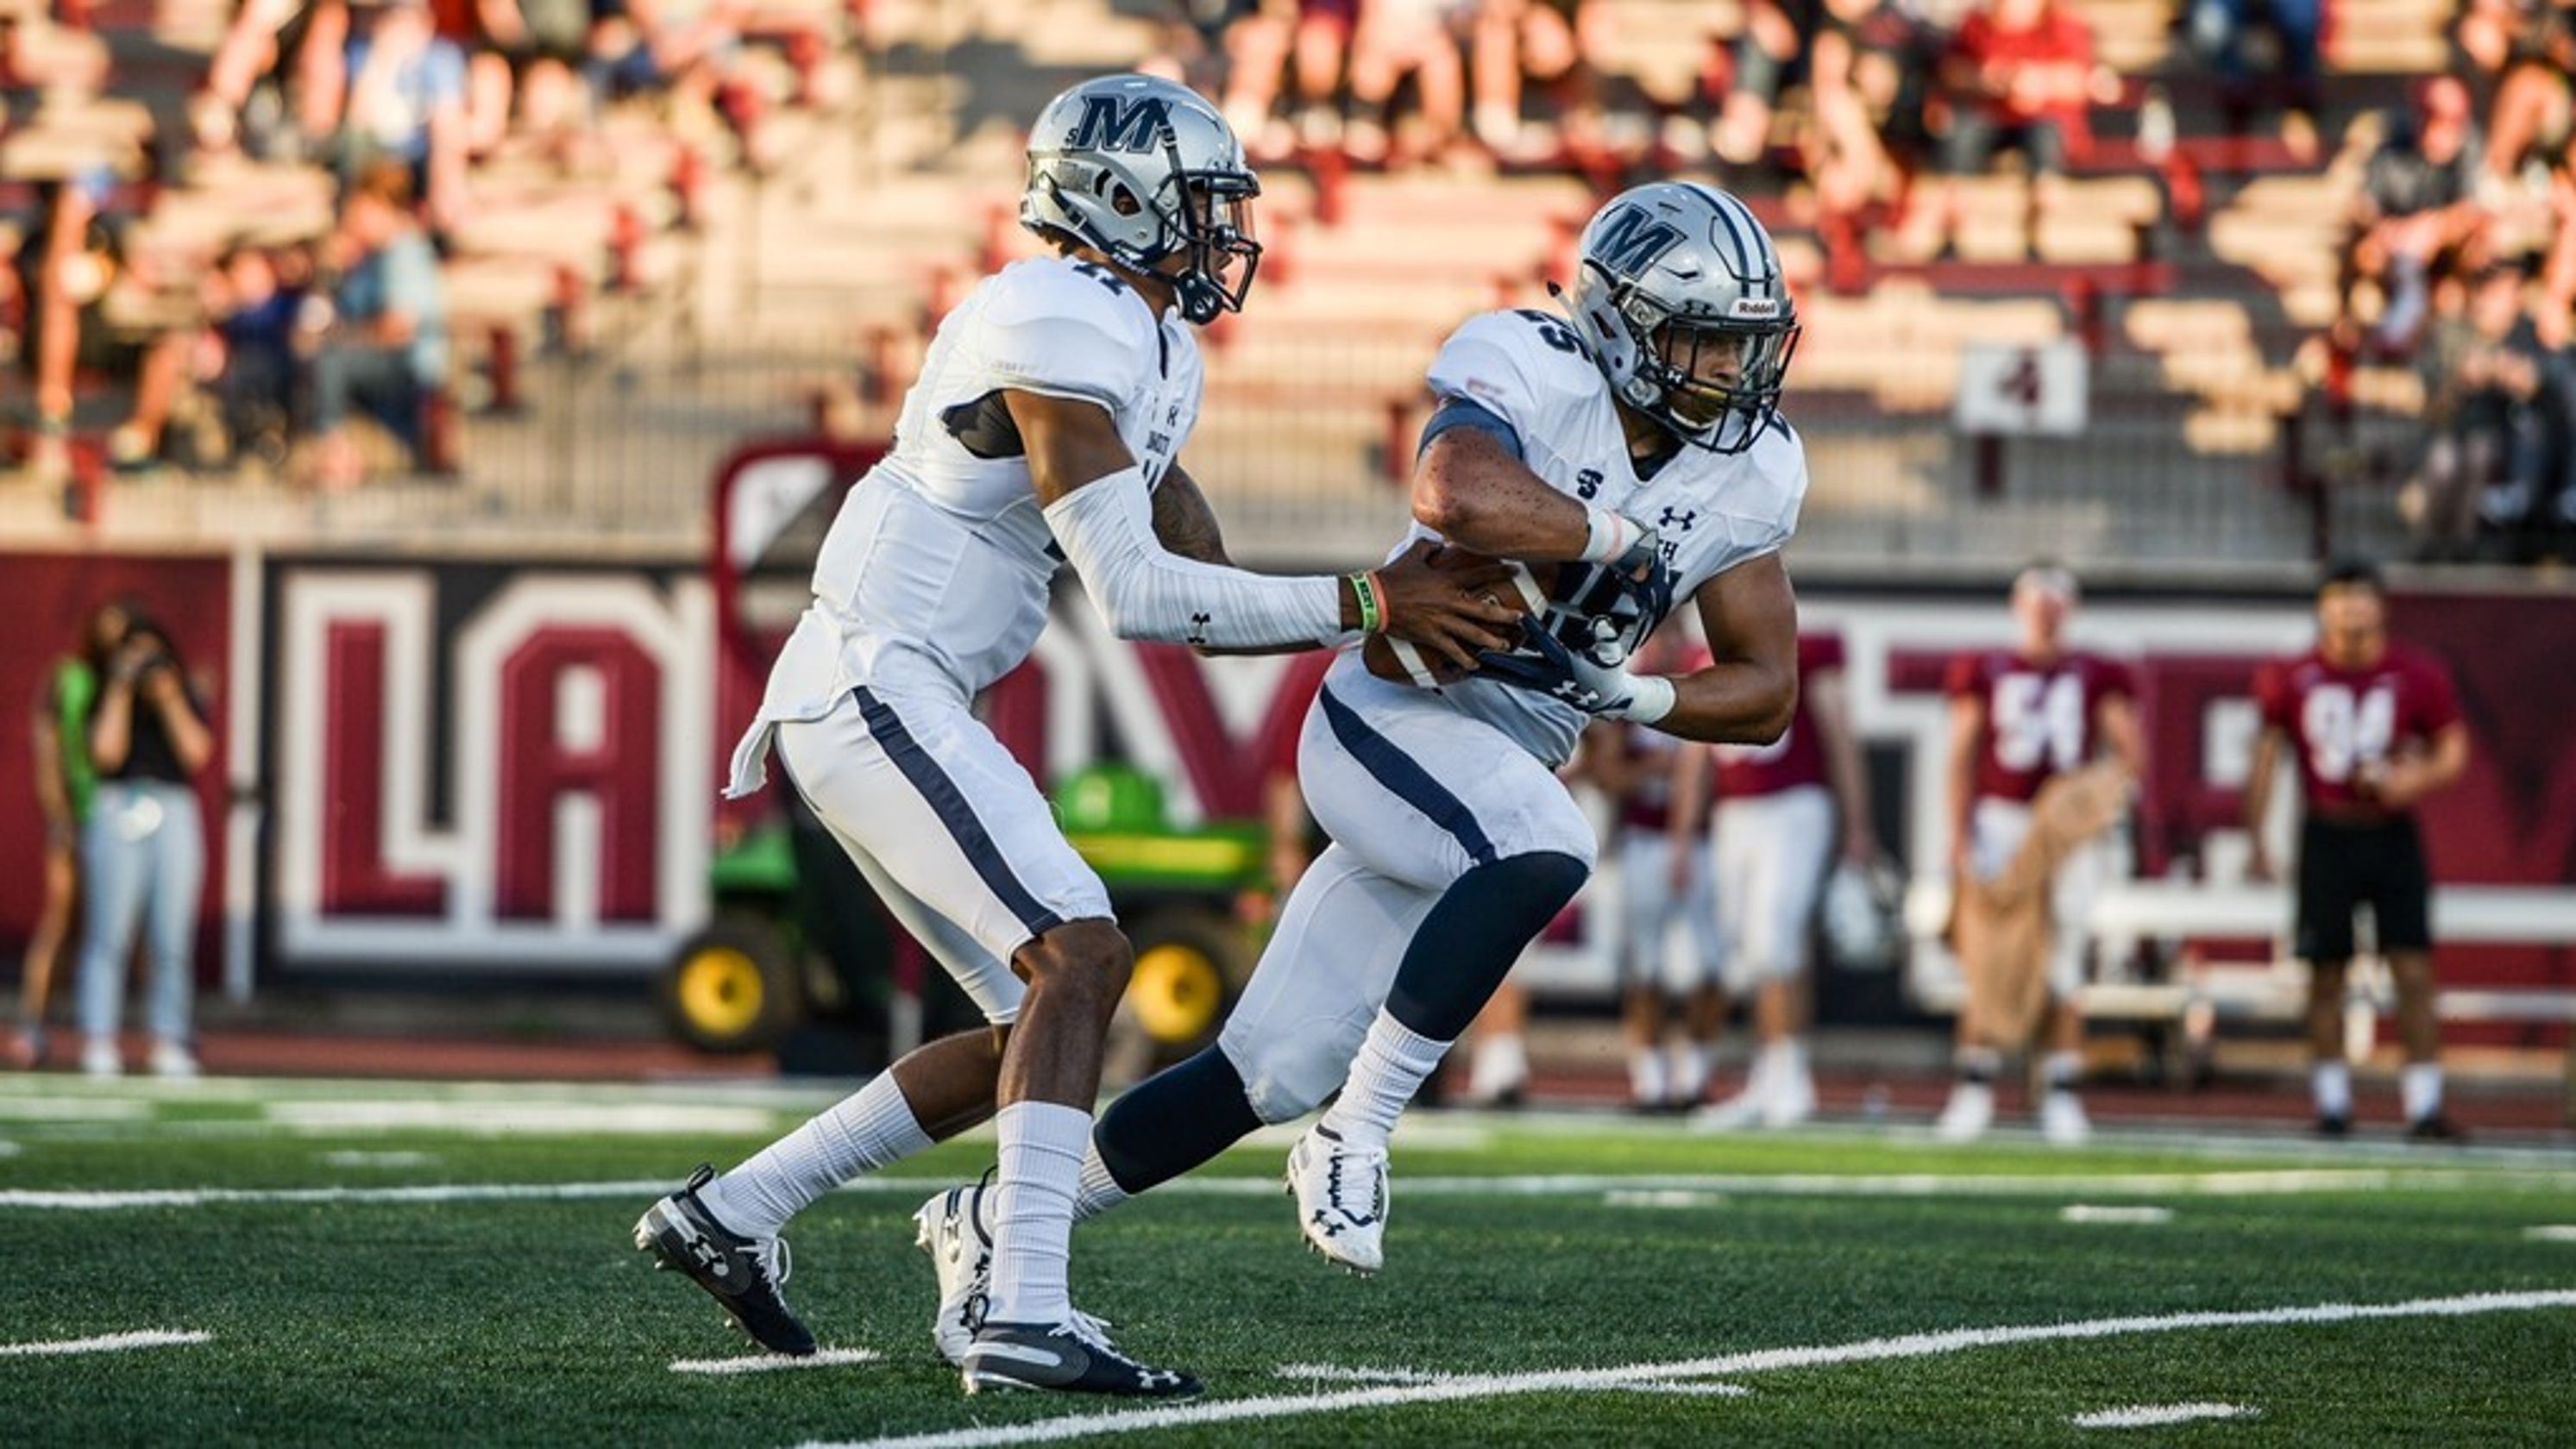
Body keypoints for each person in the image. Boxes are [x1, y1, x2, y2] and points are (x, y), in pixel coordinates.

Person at [630, 73, 1521, 1398]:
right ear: (1117, 196)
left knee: (1031, 1030)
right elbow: (1139, 594)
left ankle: (732, 1211)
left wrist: (1376, 626)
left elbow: (1198, 567)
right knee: (1083, 957)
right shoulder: (1055, 312)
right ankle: (1022, 1308)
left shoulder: (1143, 337)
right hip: (879, 678)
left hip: (907, 689)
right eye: (1203, 206)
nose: (1223, 235)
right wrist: (1369, 602)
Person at [914, 179, 1806, 1333]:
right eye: (1699, 342)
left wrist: (1631, 690)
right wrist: (1614, 538)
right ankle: (1359, 1131)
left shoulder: (1750, 468)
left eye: (1741, 347)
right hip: (1389, 716)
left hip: (1499, 755)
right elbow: (1455, 488)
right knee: (1543, 846)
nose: (1726, 374)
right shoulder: (1532, 360)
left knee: (1264, 1070)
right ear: (1622, 323)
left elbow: (1765, 688)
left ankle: (988, 1221)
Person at [2244, 562, 2471, 1139]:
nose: (2351, 612)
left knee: (2413, 968)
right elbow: (2266, 758)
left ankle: (2424, 1106)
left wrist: (2412, 780)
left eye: (2361, 600)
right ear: (2323, 609)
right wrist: (2255, 838)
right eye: (2340, 601)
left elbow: (2452, 748)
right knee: (2325, 973)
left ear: (2382, 608)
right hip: (2327, 832)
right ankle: (2333, 1104)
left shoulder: (2414, 672)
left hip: (2391, 831)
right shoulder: (2292, 675)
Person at [1932, 565, 2140, 1145]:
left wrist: (2084, 803)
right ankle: (1973, 1089)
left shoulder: (2095, 672)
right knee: (1989, 959)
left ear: (2070, 609)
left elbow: (2129, 756)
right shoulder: (1986, 668)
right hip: (2000, 820)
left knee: (2063, 960)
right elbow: (1960, 756)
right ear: (2018, 606)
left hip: (2064, 834)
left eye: (2057, 601)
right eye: (2037, 600)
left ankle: (2061, 1091)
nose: (2046, 612)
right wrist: (1957, 833)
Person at [1676, 626, 1877, 1129]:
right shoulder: (1706, 653)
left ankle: (1789, 1075)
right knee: (1749, 952)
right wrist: (1683, 833)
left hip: (1794, 804)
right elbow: (1696, 753)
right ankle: (1771, 1074)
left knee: (1775, 941)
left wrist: (1857, 824)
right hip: (1734, 813)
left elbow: (1839, 736)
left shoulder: (1805, 647)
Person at [1577, 631, 1723, 1113]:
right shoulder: (1628, 688)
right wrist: (1654, 770)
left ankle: (1694, 1072)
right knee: (1645, 967)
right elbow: (1608, 773)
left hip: (1703, 843)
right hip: (1643, 840)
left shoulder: (1706, 688)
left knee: (1707, 965)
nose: (1664, 647)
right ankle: (1650, 1079)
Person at [74, 614, 217, 1080]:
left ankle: (168, 1036)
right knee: (108, 932)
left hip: (172, 805)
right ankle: (99, 1038)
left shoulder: (180, 693)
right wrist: (119, 686)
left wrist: (170, 694)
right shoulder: (104, 692)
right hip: (119, 803)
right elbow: (105, 754)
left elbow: (197, 752)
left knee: (171, 936)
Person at [9, 601, 133, 1070]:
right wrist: (59, 813)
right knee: (61, 918)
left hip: (117, 817)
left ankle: (121, 1031)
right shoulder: (71, 677)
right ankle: (32, 1024)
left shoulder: (121, 686)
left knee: (119, 927)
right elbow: (49, 746)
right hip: (78, 813)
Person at [301, 160, 449, 488]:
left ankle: (334, 453)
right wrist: (327, 272)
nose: (352, 219)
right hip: (371, 367)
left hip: (409, 373)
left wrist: (336, 336)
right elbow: (315, 323)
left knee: (333, 358)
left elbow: (397, 329)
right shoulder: (366, 260)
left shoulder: (404, 253)